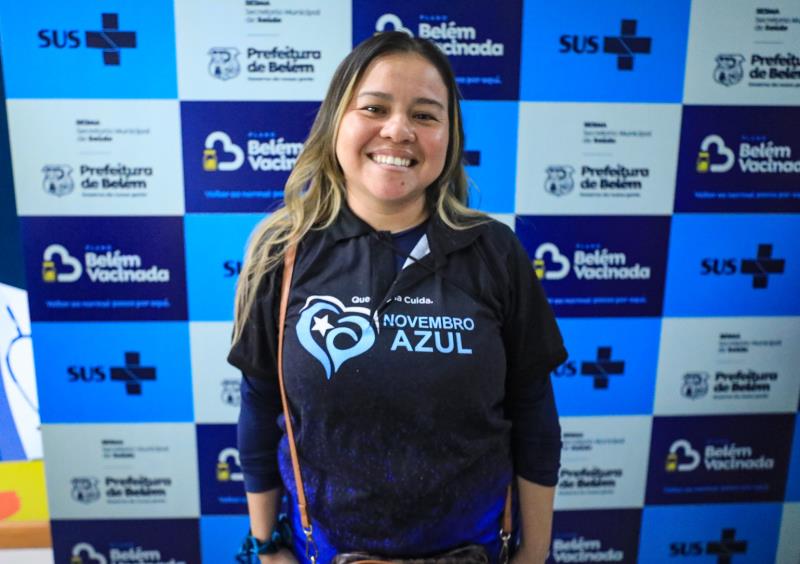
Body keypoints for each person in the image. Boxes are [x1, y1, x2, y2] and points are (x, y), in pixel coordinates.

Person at [228, 31, 567, 564]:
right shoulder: (281, 253)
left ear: (449, 138)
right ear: (336, 121)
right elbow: (260, 406)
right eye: (374, 107)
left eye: (425, 115)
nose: (398, 130)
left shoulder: (495, 252)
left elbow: (535, 414)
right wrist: (267, 546)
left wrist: (535, 552)